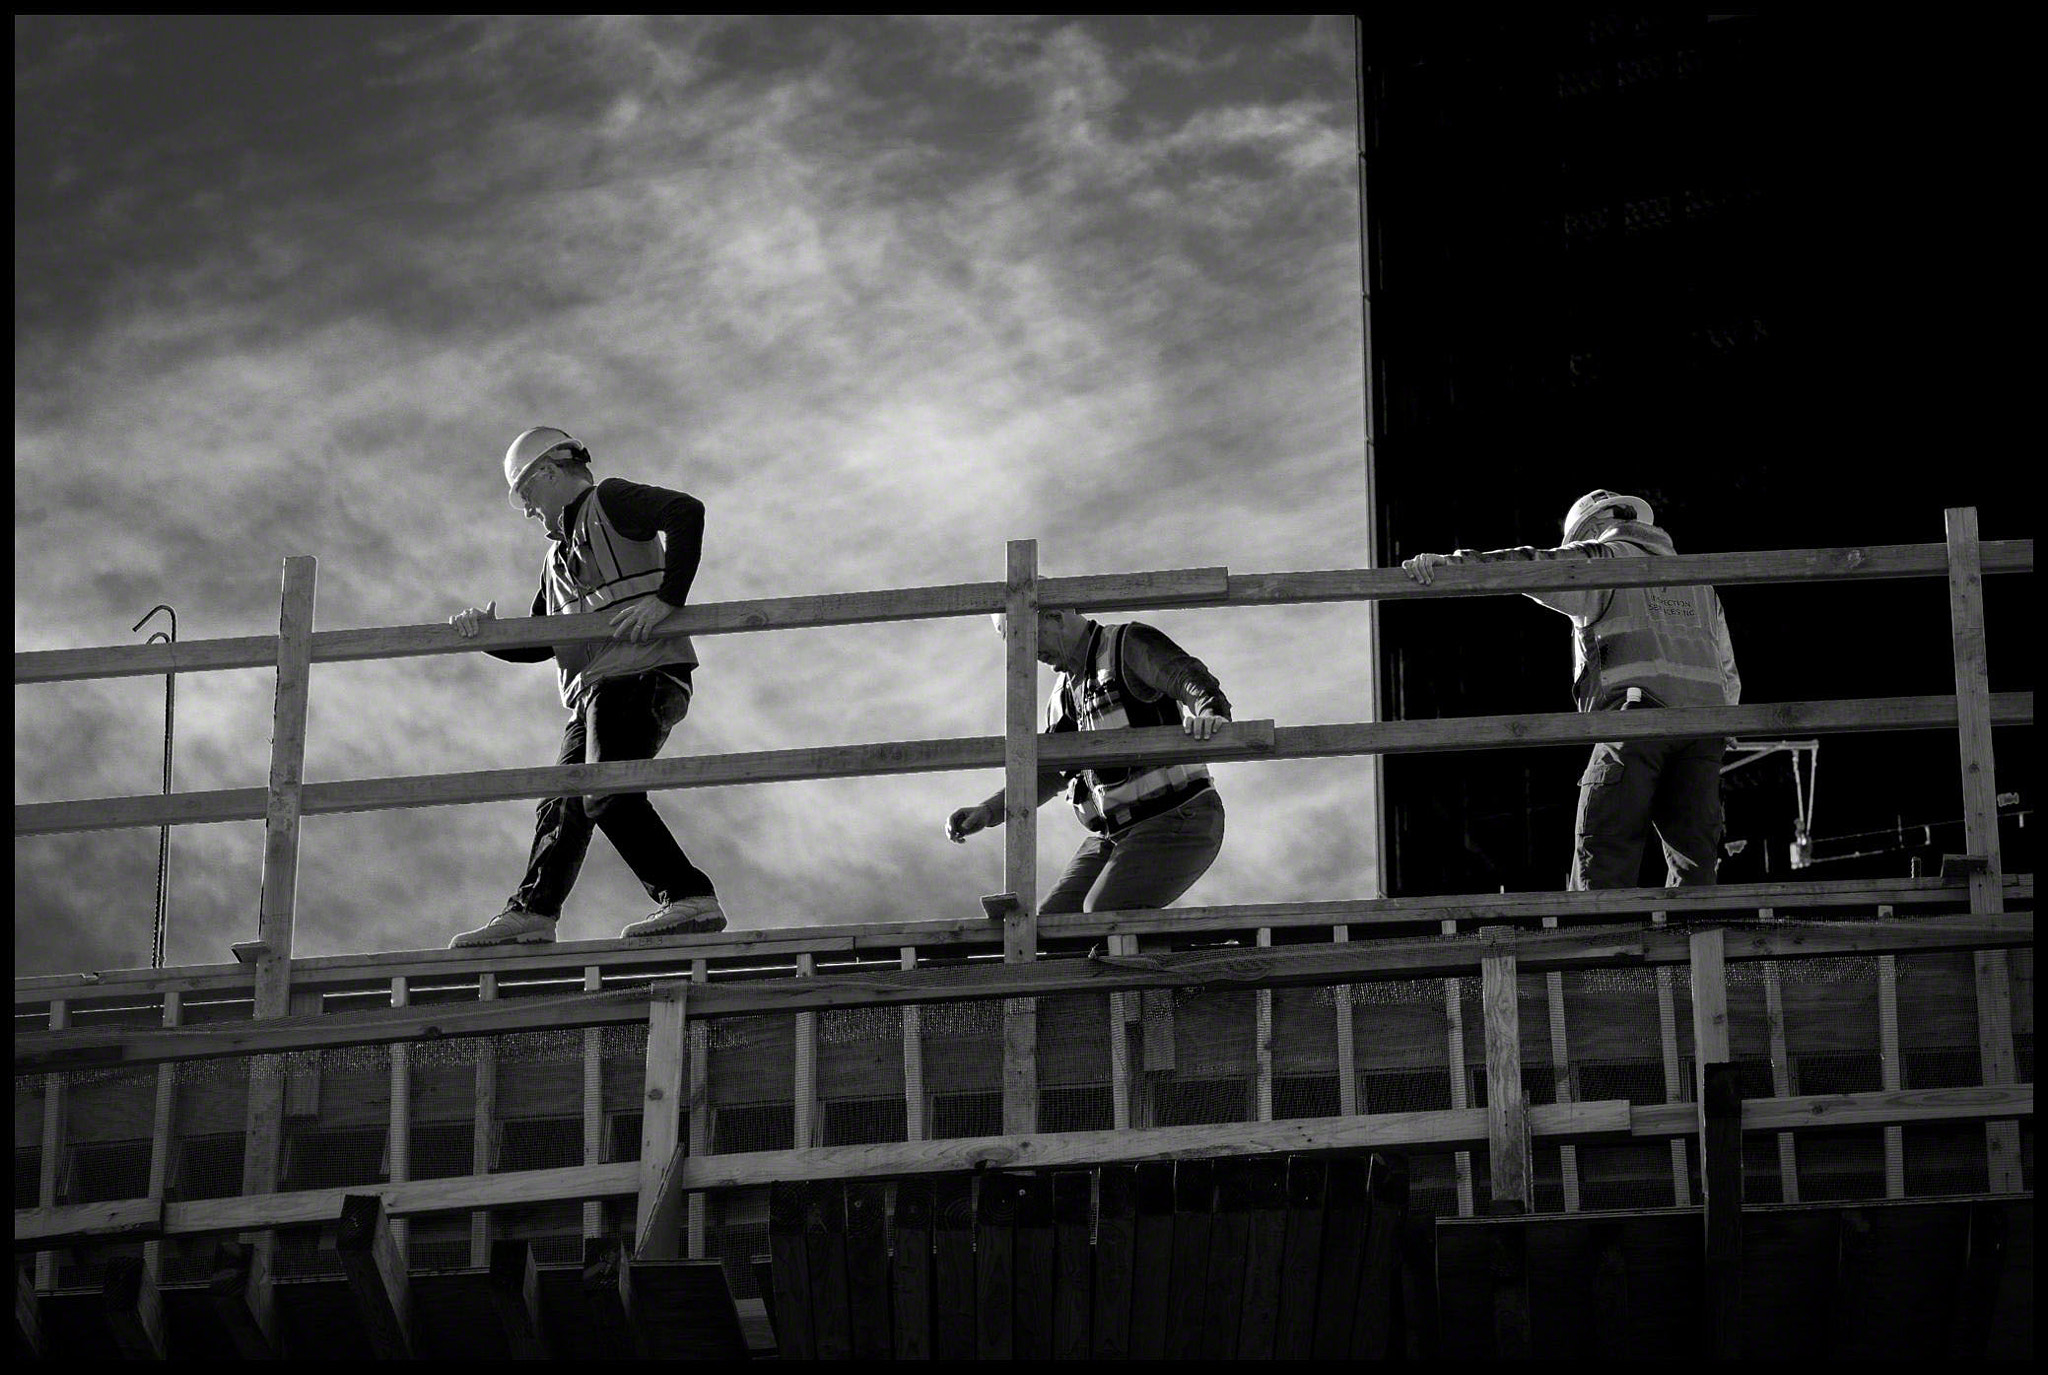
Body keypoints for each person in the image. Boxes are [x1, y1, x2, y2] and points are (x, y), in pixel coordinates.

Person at [447, 426, 728, 947]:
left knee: (605, 792)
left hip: (642, 672)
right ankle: (533, 912)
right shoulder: (556, 562)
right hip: (597, 692)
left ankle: (689, 898)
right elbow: (539, 641)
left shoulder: (611, 501)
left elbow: (686, 511)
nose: (529, 511)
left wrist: (669, 598)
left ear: (550, 472)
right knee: (563, 802)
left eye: (527, 495)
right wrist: (484, 637)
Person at [1400, 490, 1740, 890]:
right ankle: (1698, 945)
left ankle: (1599, 943)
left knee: (1604, 841)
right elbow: (1727, 673)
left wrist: (1455, 565)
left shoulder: (1604, 560)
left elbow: (1531, 567)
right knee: (1696, 858)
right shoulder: (1699, 584)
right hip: (1704, 733)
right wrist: (1723, 731)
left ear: (1593, 529)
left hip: (1636, 723)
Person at [945, 609, 1232, 913]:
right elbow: (1052, 772)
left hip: (1179, 816)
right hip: (1115, 836)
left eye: (1027, 638)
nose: (1029, 654)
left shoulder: (1125, 645)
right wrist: (989, 811)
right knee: (1050, 923)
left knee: (1102, 912)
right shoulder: (1064, 697)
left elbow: (1185, 676)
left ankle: (1166, 959)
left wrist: (1209, 712)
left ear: (1053, 616)